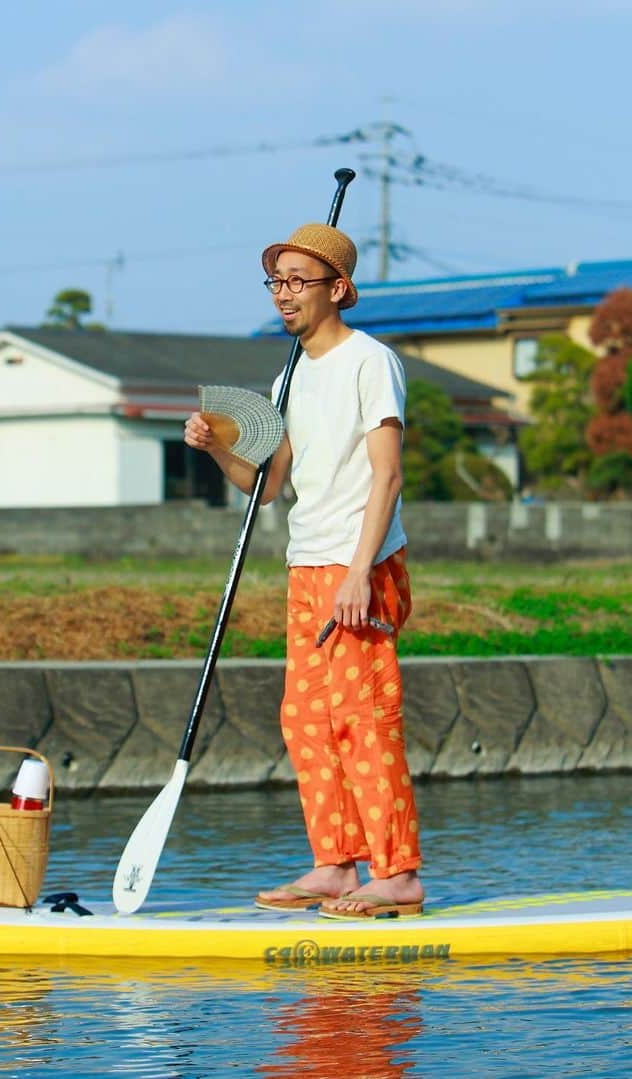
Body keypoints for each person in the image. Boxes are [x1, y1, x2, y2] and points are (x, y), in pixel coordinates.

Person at [183, 223, 423, 918]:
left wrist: (358, 571)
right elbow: (269, 483)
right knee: (306, 718)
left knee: (363, 716)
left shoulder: (370, 362)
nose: (284, 294)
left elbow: (389, 475)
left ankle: (398, 871)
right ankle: (335, 864)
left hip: (363, 563)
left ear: (338, 288)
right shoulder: (288, 373)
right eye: (277, 281)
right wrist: (213, 450)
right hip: (307, 563)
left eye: (298, 280)